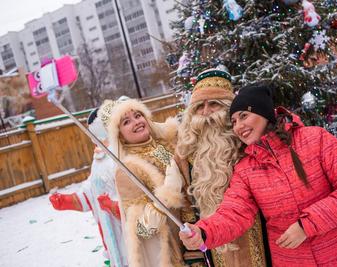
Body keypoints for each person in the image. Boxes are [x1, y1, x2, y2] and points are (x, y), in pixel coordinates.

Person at [179, 83, 337, 267]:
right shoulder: (246, 169)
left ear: (263, 112)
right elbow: (234, 213)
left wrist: (307, 225)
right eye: (234, 121)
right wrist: (203, 232)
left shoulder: (314, 139)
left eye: (244, 115)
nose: (238, 126)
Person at [176, 69, 268, 267]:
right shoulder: (185, 154)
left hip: (265, 243)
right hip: (214, 249)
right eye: (200, 106)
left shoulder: (247, 142)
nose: (207, 112)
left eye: (214, 104)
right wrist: (195, 260)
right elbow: (186, 209)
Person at [107, 97, 186, 267]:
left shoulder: (169, 143)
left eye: (138, 115)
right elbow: (142, 229)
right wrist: (167, 194)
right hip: (176, 249)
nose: (136, 122)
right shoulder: (127, 170)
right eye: (126, 121)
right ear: (119, 134)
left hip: (204, 230)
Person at [49, 100, 128, 267]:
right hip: (111, 237)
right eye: (95, 138)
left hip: (131, 238)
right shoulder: (99, 160)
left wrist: (115, 207)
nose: (97, 143)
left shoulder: (122, 157)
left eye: (101, 137)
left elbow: (136, 193)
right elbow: (92, 188)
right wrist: (68, 200)